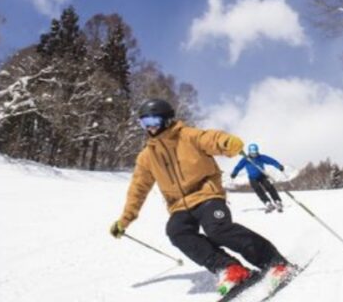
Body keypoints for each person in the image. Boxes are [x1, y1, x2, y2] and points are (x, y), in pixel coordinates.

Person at [109, 98, 293, 296]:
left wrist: (227, 142)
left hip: (207, 194)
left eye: (154, 121)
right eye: (145, 123)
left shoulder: (188, 136)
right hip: (179, 205)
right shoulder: (147, 156)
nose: (150, 128)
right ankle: (230, 268)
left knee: (217, 229)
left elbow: (211, 138)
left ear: (167, 119)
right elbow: (138, 189)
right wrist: (125, 220)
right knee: (176, 231)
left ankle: (275, 263)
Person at [231, 143, 285, 213]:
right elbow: (238, 166)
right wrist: (234, 173)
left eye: (255, 153)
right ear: (249, 152)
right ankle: (267, 202)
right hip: (252, 178)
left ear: (257, 151)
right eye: (252, 153)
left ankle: (277, 200)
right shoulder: (245, 159)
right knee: (258, 189)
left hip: (262, 175)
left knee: (269, 186)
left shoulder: (261, 157)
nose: (254, 154)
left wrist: (279, 166)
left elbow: (271, 161)